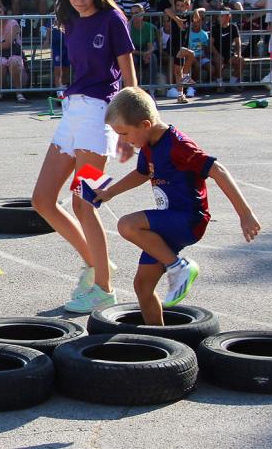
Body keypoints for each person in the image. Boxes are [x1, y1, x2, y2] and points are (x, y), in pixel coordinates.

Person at [94, 86, 260, 322]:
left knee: (128, 225)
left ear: (145, 125)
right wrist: (109, 192)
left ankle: (178, 266)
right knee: (142, 286)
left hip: (188, 219)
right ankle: (159, 340)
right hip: (168, 223)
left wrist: (246, 214)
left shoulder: (178, 145)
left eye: (124, 134)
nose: (124, 141)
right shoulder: (148, 145)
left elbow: (218, 170)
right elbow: (142, 174)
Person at [30, 0, 137, 313]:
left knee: (83, 203)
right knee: (42, 200)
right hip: (72, 113)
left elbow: (129, 78)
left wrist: (127, 128)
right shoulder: (70, 21)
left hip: (99, 117)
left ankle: (104, 288)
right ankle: (96, 263)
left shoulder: (113, 19)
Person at [163, 0, 204, 103]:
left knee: (178, 71)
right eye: (178, 5)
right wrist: (177, 19)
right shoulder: (174, 14)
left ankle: (180, 95)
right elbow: (166, 10)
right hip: (174, 44)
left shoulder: (189, 15)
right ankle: (186, 77)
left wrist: (196, 10)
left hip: (183, 44)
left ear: (187, 6)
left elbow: (203, 8)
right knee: (191, 54)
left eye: (182, 5)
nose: (179, 8)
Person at [210, 7, 244, 89]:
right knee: (218, 60)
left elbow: (238, 42)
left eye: (221, 16)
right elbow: (210, 44)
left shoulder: (233, 27)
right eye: (218, 16)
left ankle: (232, 83)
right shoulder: (214, 28)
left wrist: (238, 54)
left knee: (241, 60)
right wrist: (217, 54)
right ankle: (220, 84)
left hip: (229, 53)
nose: (219, 18)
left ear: (228, 17)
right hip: (216, 53)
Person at [128, 3, 154, 82]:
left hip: (144, 49)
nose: (134, 16)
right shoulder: (127, 27)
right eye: (132, 13)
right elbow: (129, 49)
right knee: (132, 59)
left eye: (136, 13)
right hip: (132, 52)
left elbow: (151, 45)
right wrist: (143, 54)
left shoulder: (149, 27)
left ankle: (151, 86)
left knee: (153, 58)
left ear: (142, 13)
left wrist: (148, 53)